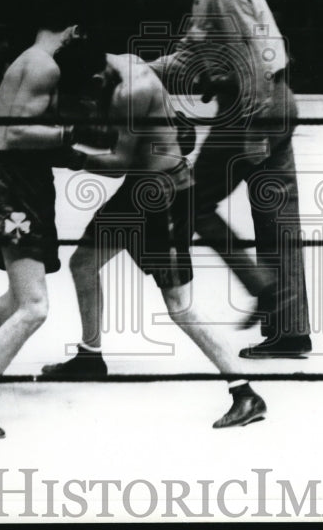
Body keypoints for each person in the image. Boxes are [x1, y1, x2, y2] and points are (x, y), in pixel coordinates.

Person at [40, 37, 267, 429]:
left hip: (165, 197)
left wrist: (70, 155)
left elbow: (119, 161)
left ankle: (245, 392)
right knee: (83, 264)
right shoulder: (119, 62)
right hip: (139, 191)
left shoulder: (132, 90)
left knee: (178, 305)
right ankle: (90, 356)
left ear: (96, 79)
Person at [148, 0, 311, 359]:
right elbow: (186, 58)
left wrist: (254, 133)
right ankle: (290, 329)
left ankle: (263, 287)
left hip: (252, 109)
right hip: (269, 104)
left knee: (194, 199)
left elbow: (253, 63)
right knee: (278, 217)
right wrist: (139, 71)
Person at [0, 9, 100, 438]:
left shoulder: (26, 61)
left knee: (20, 293)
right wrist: (74, 132)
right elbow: (17, 135)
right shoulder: (44, 65)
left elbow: (24, 140)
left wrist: (82, 158)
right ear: (72, 28)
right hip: (13, 188)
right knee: (35, 307)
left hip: (18, 184)